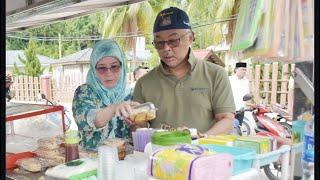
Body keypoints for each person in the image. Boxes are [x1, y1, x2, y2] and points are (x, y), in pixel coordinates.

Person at [131, 7, 235, 135]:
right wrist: (137, 125)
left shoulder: (215, 74)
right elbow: (139, 125)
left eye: (173, 40)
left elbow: (227, 120)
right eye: (159, 42)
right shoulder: (144, 83)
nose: (166, 48)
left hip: (205, 152)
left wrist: (202, 139)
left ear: (190, 38)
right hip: (159, 153)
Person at [72, 40, 139, 150]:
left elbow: (138, 131)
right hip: (93, 161)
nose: (109, 73)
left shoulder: (131, 94)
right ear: (94, 69)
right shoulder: (84, 92)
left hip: (127, 160)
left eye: (114, 67)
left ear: (122, 66)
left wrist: (139, 123)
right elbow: (90, 120)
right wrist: (114, 108)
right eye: (102, 68)